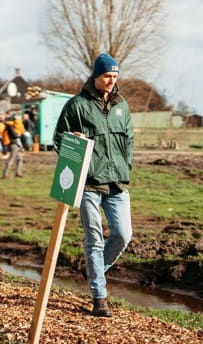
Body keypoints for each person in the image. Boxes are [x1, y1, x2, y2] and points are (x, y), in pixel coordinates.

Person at [53, 53, 133, 318]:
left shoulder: (122, 106)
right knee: (94, 240)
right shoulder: (77, 105)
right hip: (88, 183)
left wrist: (127, 165)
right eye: (106, 76)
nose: (111, 81)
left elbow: (129, 139)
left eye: (114, 76)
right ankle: (100, 298)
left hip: (117, 182)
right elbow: (58, 139)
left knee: (123, 235)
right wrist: (72, 140)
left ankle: (93, 270)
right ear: (96, 76)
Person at [0, 112, 25, 179]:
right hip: (14, 144)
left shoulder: (10, 125)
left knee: (20, 159)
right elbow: (13, 135)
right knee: (11, 159)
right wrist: (18, 135)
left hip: (15, 144)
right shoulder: (10, 126)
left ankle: (18, 173)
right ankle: (5, 174)